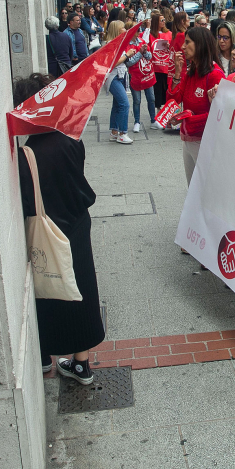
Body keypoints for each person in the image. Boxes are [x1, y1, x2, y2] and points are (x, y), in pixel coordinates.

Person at [13, 74, 105, 384]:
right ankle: (81, 363)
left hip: (47, 229)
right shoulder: (70, 139)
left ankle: (43, 356)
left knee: (48, 289)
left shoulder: (27, 154)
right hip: (76, 223)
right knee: (80, 289)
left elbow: (27, 200)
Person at [166, 26, 225, 184]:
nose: (183, 47)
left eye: (187, 42)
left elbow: (219, 115)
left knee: (205, 190)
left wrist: (186, 120)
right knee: (192, 189)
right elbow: (174, 100)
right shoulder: (191, 71)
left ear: (200, 44)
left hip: (205, 142)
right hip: (188, 140)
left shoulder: (215, 75)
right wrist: (177, 73)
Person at [104, 20, 134, 143]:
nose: (124, 29)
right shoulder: (110, 44)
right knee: (124, 104)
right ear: (117, 29)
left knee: (117, 104)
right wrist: (127, 55)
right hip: (113, 77)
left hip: (120, 76)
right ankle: (122, 133)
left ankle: (114, 131)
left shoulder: (118, 42)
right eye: (122, 27)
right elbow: (111, 63)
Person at [126, 28, 157, 134]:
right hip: (135, 77)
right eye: (136, 30)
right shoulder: (127, 45)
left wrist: (145, 52)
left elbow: (150, 57)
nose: (139, 32)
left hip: (147, 75)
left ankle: (153, 120)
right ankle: (137, 122)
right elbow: (129, 63)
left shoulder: (142, 41)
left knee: (151, 98)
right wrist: (140, 53)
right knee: (137, 100)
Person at [149, 12, 174, 121]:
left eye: (164, 20)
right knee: (157, 87)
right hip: (155, 65)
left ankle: (166, 107)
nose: (164, 22)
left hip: (167, 64)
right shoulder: (150, 34)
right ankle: (158, 108)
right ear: (156, 22)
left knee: (166, 87)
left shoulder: (169, 33)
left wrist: (169, 47)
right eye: (161, 20)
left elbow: (173, 47)